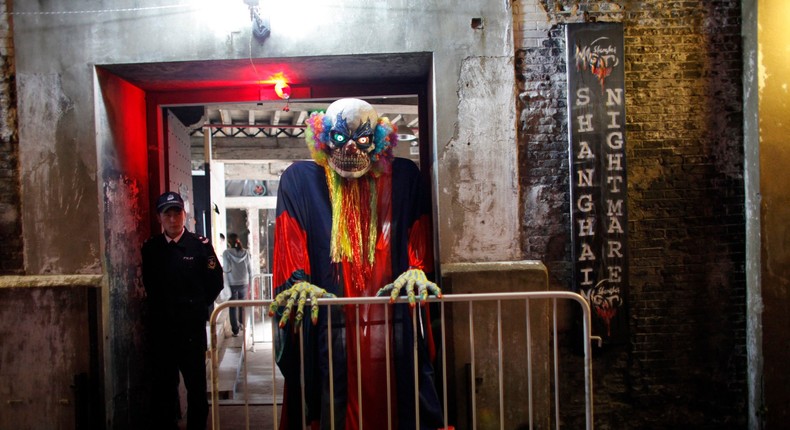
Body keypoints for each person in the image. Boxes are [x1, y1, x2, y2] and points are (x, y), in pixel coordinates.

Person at [268, 98, 444, 429]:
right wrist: (297, 282)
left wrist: (416, 268)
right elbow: (289, 243)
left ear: (378, 140)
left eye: (362, 140)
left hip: (387, 324)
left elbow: (418, 235)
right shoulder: (300, 180)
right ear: (323, 139)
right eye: (338, 139)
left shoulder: (403, 177)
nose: (350, 149)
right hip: (333, 327)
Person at [141, 191, 224, 430]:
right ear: (160, 218)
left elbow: (215, 282)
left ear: (184, 215)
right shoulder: (151, 249)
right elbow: (149, 285)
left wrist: (196, 305)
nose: (173, 219)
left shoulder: (200, 246)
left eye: (177, 213)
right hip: (162, 331)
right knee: (164, 387)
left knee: (196, 387)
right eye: (168, 214)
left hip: (190, 330)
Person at [222, 232, 252, 337]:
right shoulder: (246, 252)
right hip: (244, 282)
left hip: (232, 283)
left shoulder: (226, 253)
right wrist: (250, 283)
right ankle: (242, 324)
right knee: (242, 306)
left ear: (229, 242)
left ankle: (235, 330)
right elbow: (250, 269)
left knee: (233, 307)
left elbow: (226, 268)